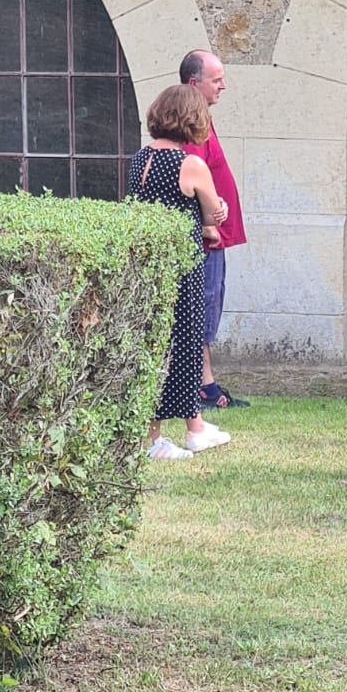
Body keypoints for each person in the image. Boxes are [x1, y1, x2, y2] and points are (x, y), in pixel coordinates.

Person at [127, 85, 231, 461]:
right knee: (183, 345)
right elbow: (210, 212)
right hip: (182, 265)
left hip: (149, 264)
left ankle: (195, 425)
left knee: (156, 344)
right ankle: (155, 438)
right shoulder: (190, 163)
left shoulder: (140, 158)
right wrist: (215, 215)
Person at [180, 50, 250, 409]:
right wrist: (210, 222)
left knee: (209, 303)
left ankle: (205, 383)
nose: (223, 85)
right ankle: (202, 386)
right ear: (195, 83)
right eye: (216, 78)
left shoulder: (201, 119)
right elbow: (195, 179)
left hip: (215, 235)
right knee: (203, 306)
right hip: (206, 238)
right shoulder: (190, 129)